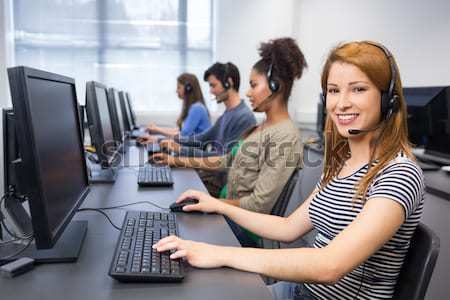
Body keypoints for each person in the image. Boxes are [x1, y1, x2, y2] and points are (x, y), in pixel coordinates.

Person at [153, 41, 425, 300]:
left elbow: (328, 265)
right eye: (333, 90)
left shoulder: (399, 174)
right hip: (298, 291)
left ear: (387, 98)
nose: (341, 103)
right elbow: (287, 227)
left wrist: (219, 254)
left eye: (358, 89)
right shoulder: (342, 165)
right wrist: (218, 206)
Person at [152, 37, 305, 216]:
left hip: (240, 226)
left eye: (254, 85)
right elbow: (225, 161)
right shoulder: (261, 127)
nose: (248, 92)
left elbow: (258, 205)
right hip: (227, 210)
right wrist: (174, 160)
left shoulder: (285, 136)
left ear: (275, 85)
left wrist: (212, 203)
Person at [156, 62, 257, 196]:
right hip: (213, 176)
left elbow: (222, 160)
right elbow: (201, 138)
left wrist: (180, 150)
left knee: (174, 187)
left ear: (229, 82)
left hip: (220, 183)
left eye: (213, 85)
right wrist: (168, 141)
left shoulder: (244, 118)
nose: (211, 91)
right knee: (170, 179)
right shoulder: (228, 114)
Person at [138, 73, 210, 143]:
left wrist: (157, 138)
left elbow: (182, 136)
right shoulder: (195, 107)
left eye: (179, 87)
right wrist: (156, 130)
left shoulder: (197, 108)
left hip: (196, 151)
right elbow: (180, 131)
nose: (176, 91)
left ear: (188, 89)